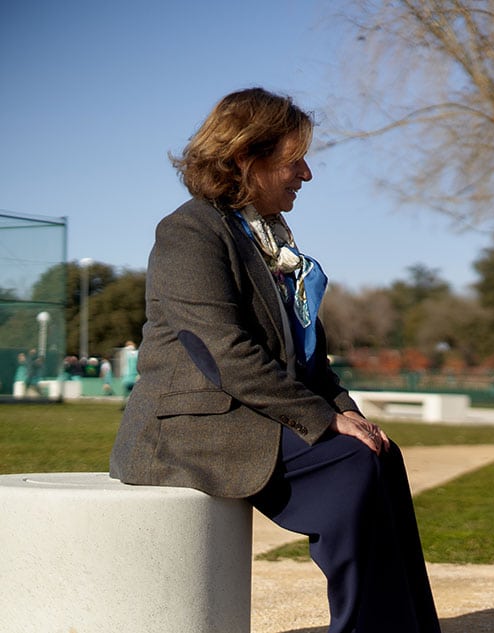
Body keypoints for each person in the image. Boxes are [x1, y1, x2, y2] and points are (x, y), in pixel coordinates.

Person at [109, 88, 441, 633]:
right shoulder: (189, 232)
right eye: (294, 160)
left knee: (379, 452)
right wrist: (323, 419)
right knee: (349, 464)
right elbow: (227, 356)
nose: (306, 174)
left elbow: (315, 360)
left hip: (248, 413)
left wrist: (350, 414)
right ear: (245, 158)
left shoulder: (270, 240)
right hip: (190, 425)